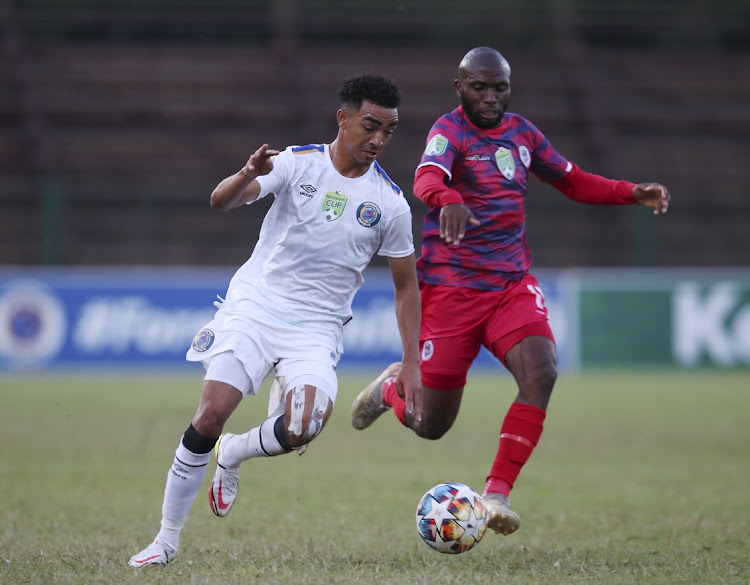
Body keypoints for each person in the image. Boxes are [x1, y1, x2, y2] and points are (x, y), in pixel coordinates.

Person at [351, 47, 670, 536]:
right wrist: (451, 198)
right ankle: (389, 390)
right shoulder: (449, 130)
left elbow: (571, 180)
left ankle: (496, 493)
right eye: (480, 87)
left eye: (499, 87)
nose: (491, 97)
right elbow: (426, 177)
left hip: (509, 286)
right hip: (450, 291)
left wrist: (631, 192)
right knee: (431, 426)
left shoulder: (522, 133)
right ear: (460, 88)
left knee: (541, 372)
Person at [128, 73, 422, 567]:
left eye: (388, 132)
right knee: (210, 413)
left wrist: (410, 362)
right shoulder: (295, 162)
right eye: (370, 126)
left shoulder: (390, 204)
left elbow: (406, 286)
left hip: (318, 327)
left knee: (305, 425)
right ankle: (166, 539)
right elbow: (222, 201)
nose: (378, 140)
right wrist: (246, 173)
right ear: (343, 118)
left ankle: (235, 453)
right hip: (257, 306)